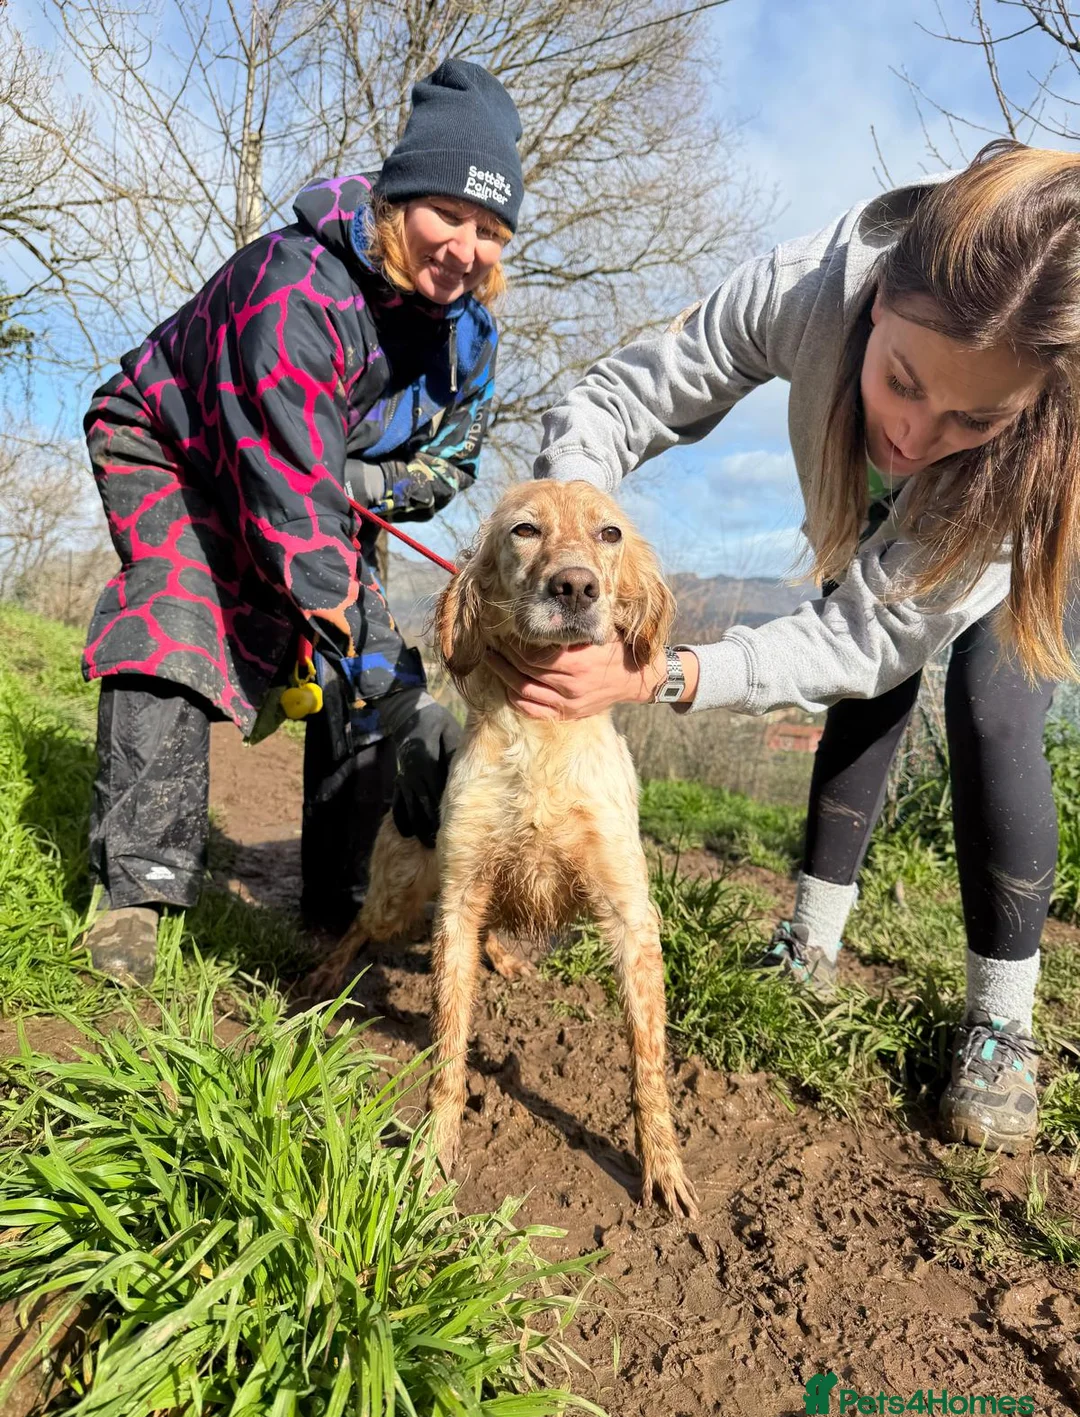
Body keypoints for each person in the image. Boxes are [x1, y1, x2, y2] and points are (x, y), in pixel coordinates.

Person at [494, 141, 1080, 1152]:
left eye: (969, 414)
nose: (911, 432)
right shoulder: (802, 286)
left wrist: (665, 673)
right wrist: (575, 521)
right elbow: (621, 400)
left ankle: (1003, 1023)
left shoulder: (1036, 442)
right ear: (878, 299)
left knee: (993, 706)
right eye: (902, 379)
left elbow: (868, 642)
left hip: (1015, 535)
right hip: (870, 530)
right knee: (865, 705)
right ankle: (808, 943)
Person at [81, 58, 523, 980]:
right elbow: (291, 514)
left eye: (490, 228)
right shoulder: (295, 289)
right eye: (448, 212)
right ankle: (136, 893)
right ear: (400, 201)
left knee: (365, 661)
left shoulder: (469, 333)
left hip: (319, 482)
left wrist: (360, 486)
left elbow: (452, 463)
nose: (465, 247)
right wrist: (397, 693)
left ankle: (342, 896)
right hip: (175, 444)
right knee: (179, 616)